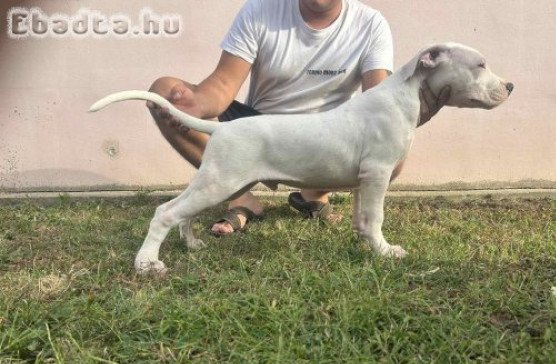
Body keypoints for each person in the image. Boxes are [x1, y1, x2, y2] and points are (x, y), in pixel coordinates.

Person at [147, 0, 449, 235]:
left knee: (391, 155)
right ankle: (240, 194)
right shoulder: (260, 9)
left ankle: (314, 193)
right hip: (260, 130)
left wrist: (424, 105)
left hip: (326, 137)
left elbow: (381, 102)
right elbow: (224, 84)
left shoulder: (370, 23)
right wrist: (195, 104)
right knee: (161, 90)